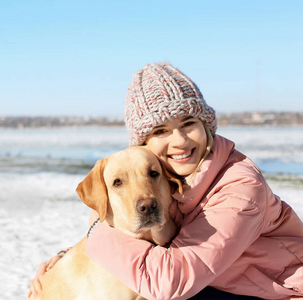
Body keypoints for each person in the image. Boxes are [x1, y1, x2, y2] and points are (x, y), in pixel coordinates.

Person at [28, 63, 303, 299]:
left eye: (188, 124)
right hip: (218, 284)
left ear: (206, 125)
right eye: (161, 130)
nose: (180, 141)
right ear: (145, 144)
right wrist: (65, 262)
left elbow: (170, 281)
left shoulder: (241, 190)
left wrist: (95, 236)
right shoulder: (165, 176)